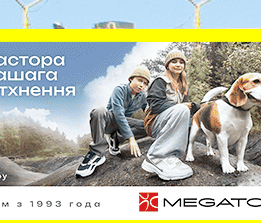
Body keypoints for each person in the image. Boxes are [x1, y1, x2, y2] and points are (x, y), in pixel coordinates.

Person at [77, 65, 150, 177]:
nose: (142, 85)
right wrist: (131, 139)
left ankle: (116, 138)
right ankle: (97, 154)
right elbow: (118, 114)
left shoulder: (141, 97)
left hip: (123, 124)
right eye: (140, 80)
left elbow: (148, 111)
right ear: (131, 79)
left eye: (145, 83)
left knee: (148, 125)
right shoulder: (119, 89)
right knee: (99, 111)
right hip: (110, 121)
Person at [141, 48, 194, 181]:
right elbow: (155, 105)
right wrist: (181, 107)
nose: (178, 65)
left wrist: (197, 107)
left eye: (181, 62)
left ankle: (171, 156)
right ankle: (155, 157)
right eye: (174, 62)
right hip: (154, 122)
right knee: (182, 110)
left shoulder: (183, 85)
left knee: (189, 115)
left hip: (169, 120)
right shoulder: (160, 81)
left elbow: (185, 109)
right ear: (167, 65)